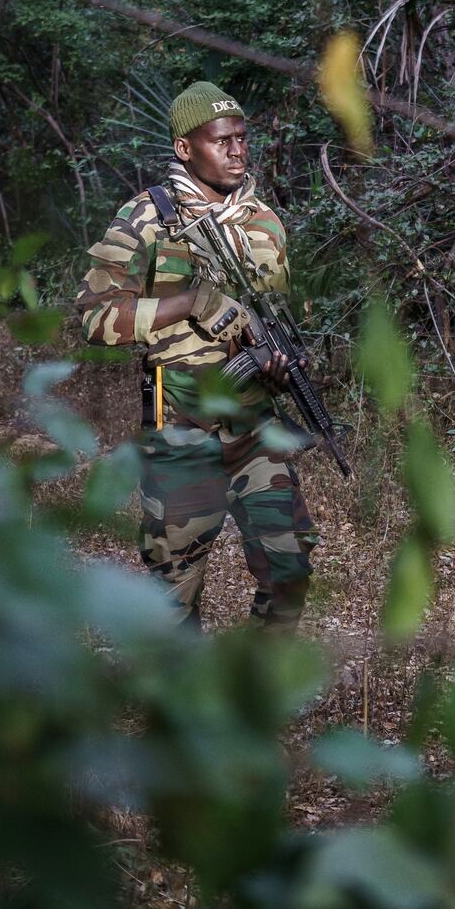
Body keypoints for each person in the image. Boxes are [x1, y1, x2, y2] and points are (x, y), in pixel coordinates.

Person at [76, 81, 317, 632]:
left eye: (242, 139)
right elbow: (93, 318)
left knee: (290, 565)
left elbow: (270, 325)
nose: (236, 151)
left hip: (254, 421)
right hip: (179, 422)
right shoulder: (145, 219)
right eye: (220, 140)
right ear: (185, 148)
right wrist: (189, 302)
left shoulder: (264, 225)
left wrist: (278, 366)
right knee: (174, 587)